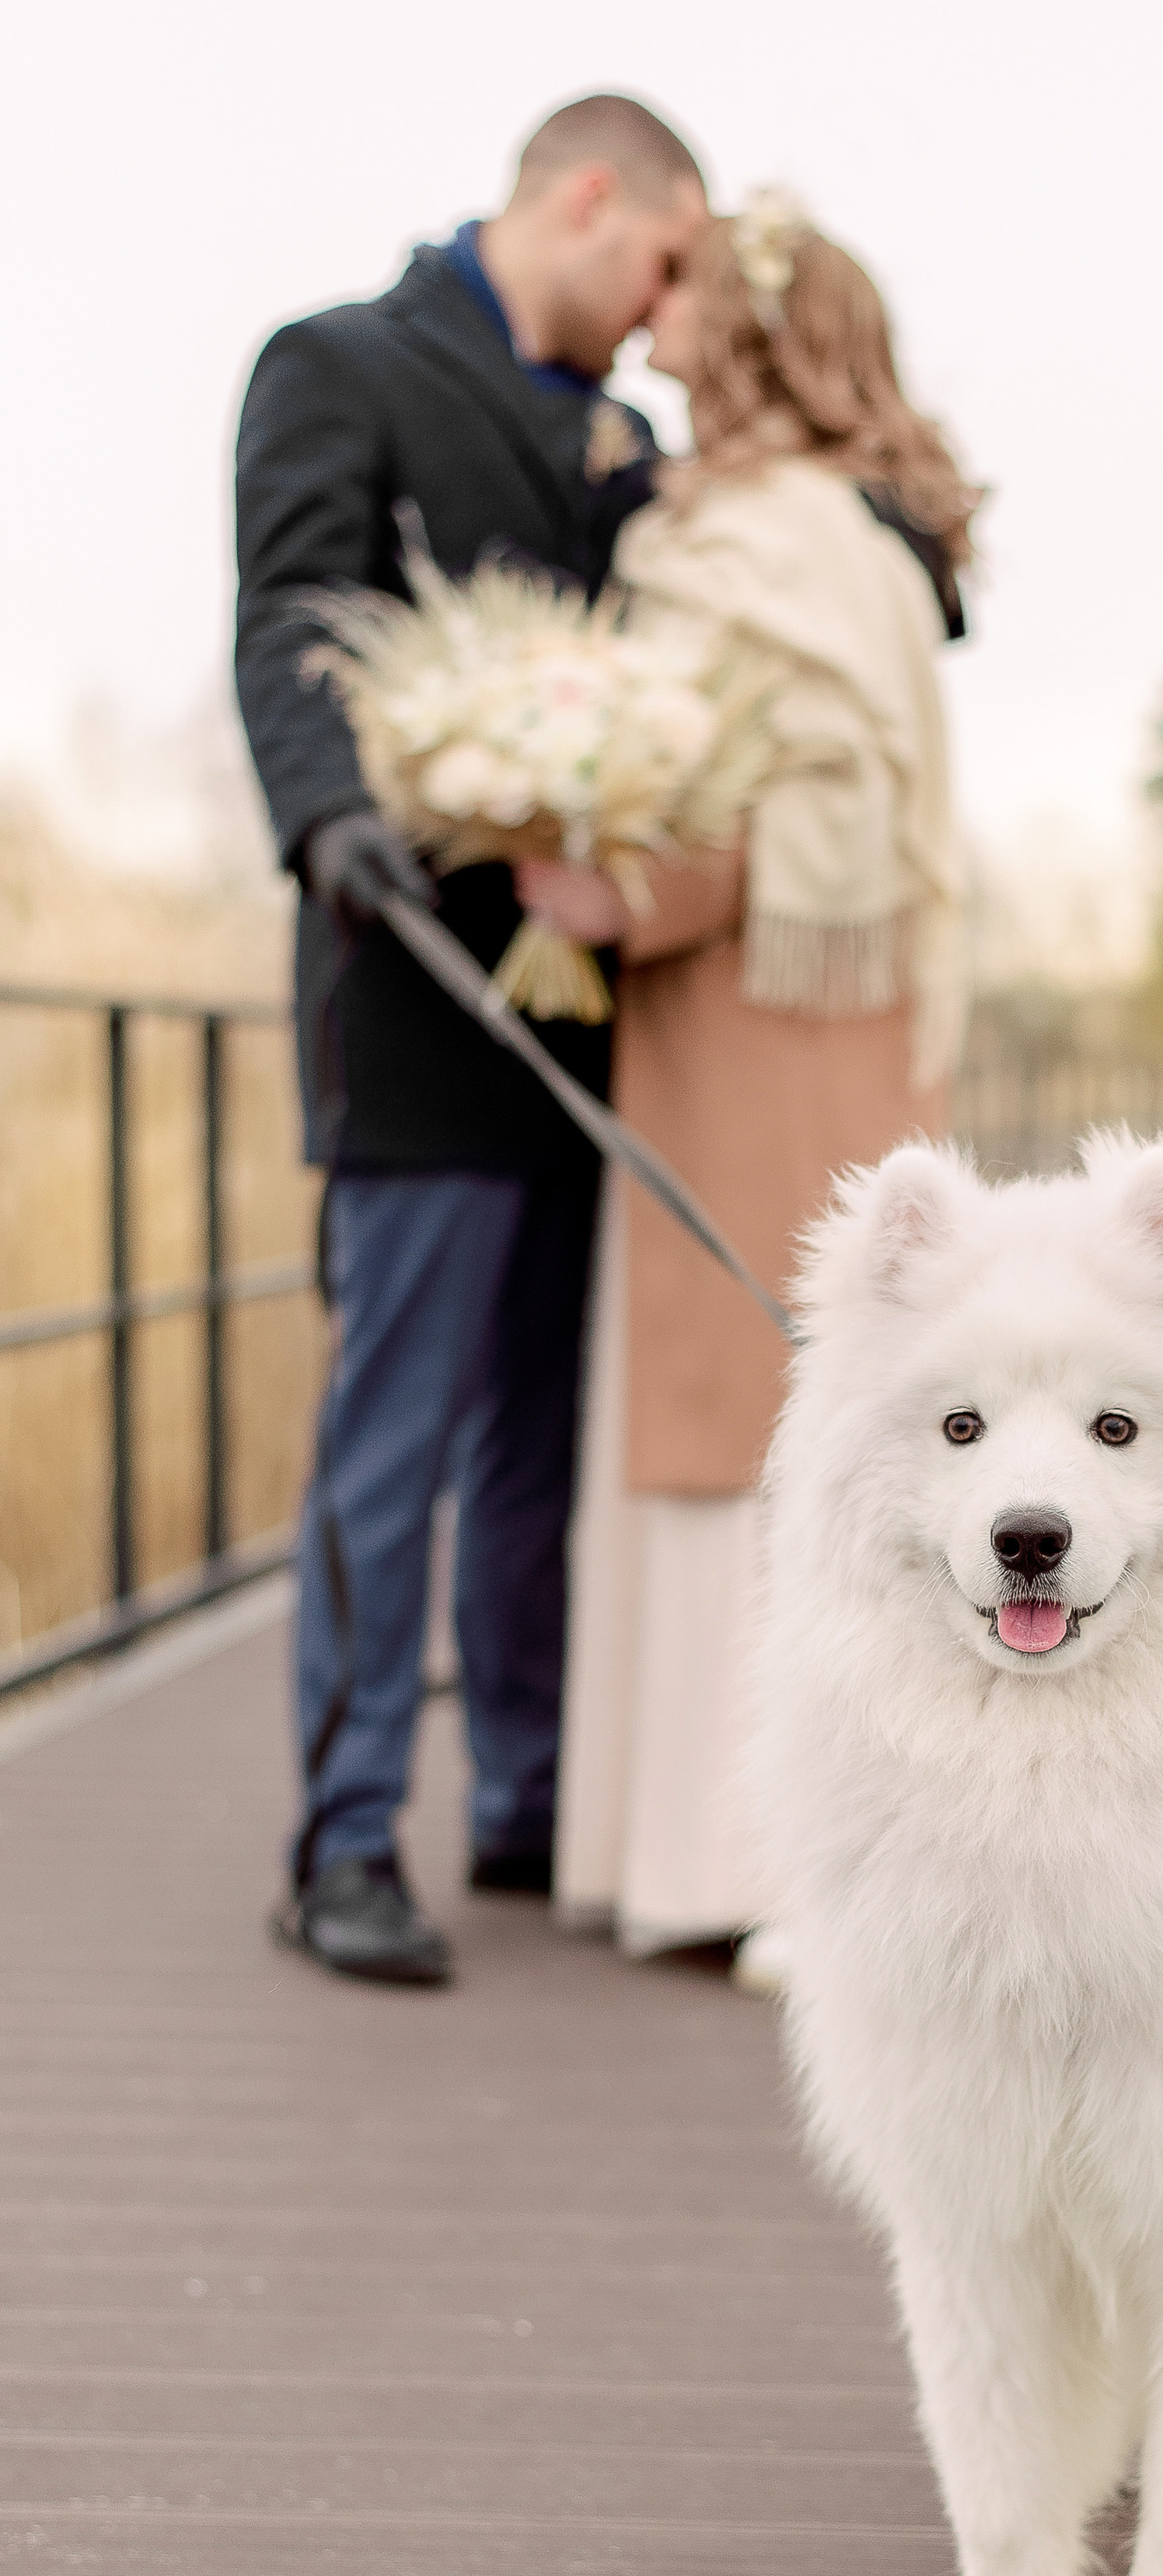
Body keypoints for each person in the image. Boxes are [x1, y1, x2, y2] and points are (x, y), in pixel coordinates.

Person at [234, 96, 709, 1987]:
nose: (667, 312)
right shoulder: (336, 365)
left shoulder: (628, 444)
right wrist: (329, 814)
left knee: (544, 1434)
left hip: (599, 1011)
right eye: (663, 261)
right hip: (407, 985)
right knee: (397, 1433)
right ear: (586, 200)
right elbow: (289, 613)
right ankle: (343, 1839)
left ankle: (527, 1794)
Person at [515, 195, 980, 1972]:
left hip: (751, 1015)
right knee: (812, 1398)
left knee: (743, 1399)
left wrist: (610, 892)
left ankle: (740, 1865)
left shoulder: (765, 536)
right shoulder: (858, 534)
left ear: (747, 336)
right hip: (830, 1026)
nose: (656, 345)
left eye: (685, 317)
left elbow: (797, 795)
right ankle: (781, 1859)